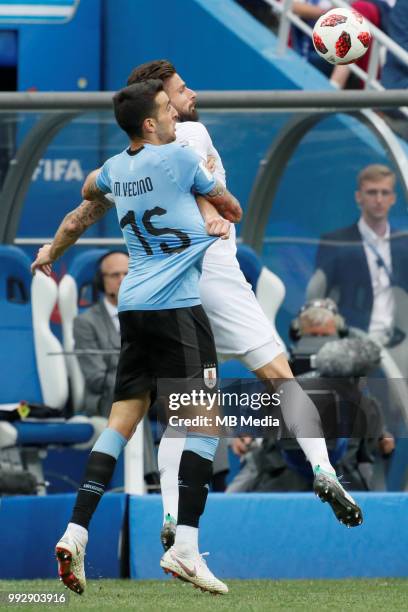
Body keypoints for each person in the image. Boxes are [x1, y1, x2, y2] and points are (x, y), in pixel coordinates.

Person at [126, 60, 363, 548]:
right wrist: (213, 214)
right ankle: (323, 468)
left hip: (172, 287)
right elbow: (199, 189)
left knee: (184, 407)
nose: (191, 93)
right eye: (181, 89)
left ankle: (170, 513)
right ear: (163, 105)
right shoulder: (190, 132)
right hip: (214, 273)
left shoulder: (135, 157)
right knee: (280, 378)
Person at [31, 79, 240, 595]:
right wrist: (212, 194)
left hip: (134, 307)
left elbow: (86, 193)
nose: (175, 116)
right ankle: (186, 546)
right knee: (207, 424)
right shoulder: (180, 160)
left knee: (120, 422)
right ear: (150, 123)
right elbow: (231, 210)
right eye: (168, 110)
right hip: (178, 310)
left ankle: (75, 531)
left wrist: (51, 253)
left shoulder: (115, 170)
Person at [73, 250, 158, 485]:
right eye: (115, 275)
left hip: (154, 391)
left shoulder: (151, 316)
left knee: (197, 396)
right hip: (107, 397)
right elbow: (96, 378)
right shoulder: (85, 323)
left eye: (128, 273)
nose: (122, 280)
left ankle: (216, 480)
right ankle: (149, 480)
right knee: (135, 395)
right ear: (101, 281)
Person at [307, 164, 408, 356]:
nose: (379, 200)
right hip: (351, 344)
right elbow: (319, 296)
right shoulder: (336, 242)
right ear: (358, 197)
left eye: (384, 193)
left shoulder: (404, 244)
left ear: (393, 199)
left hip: (398, 345)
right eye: (372, 192)